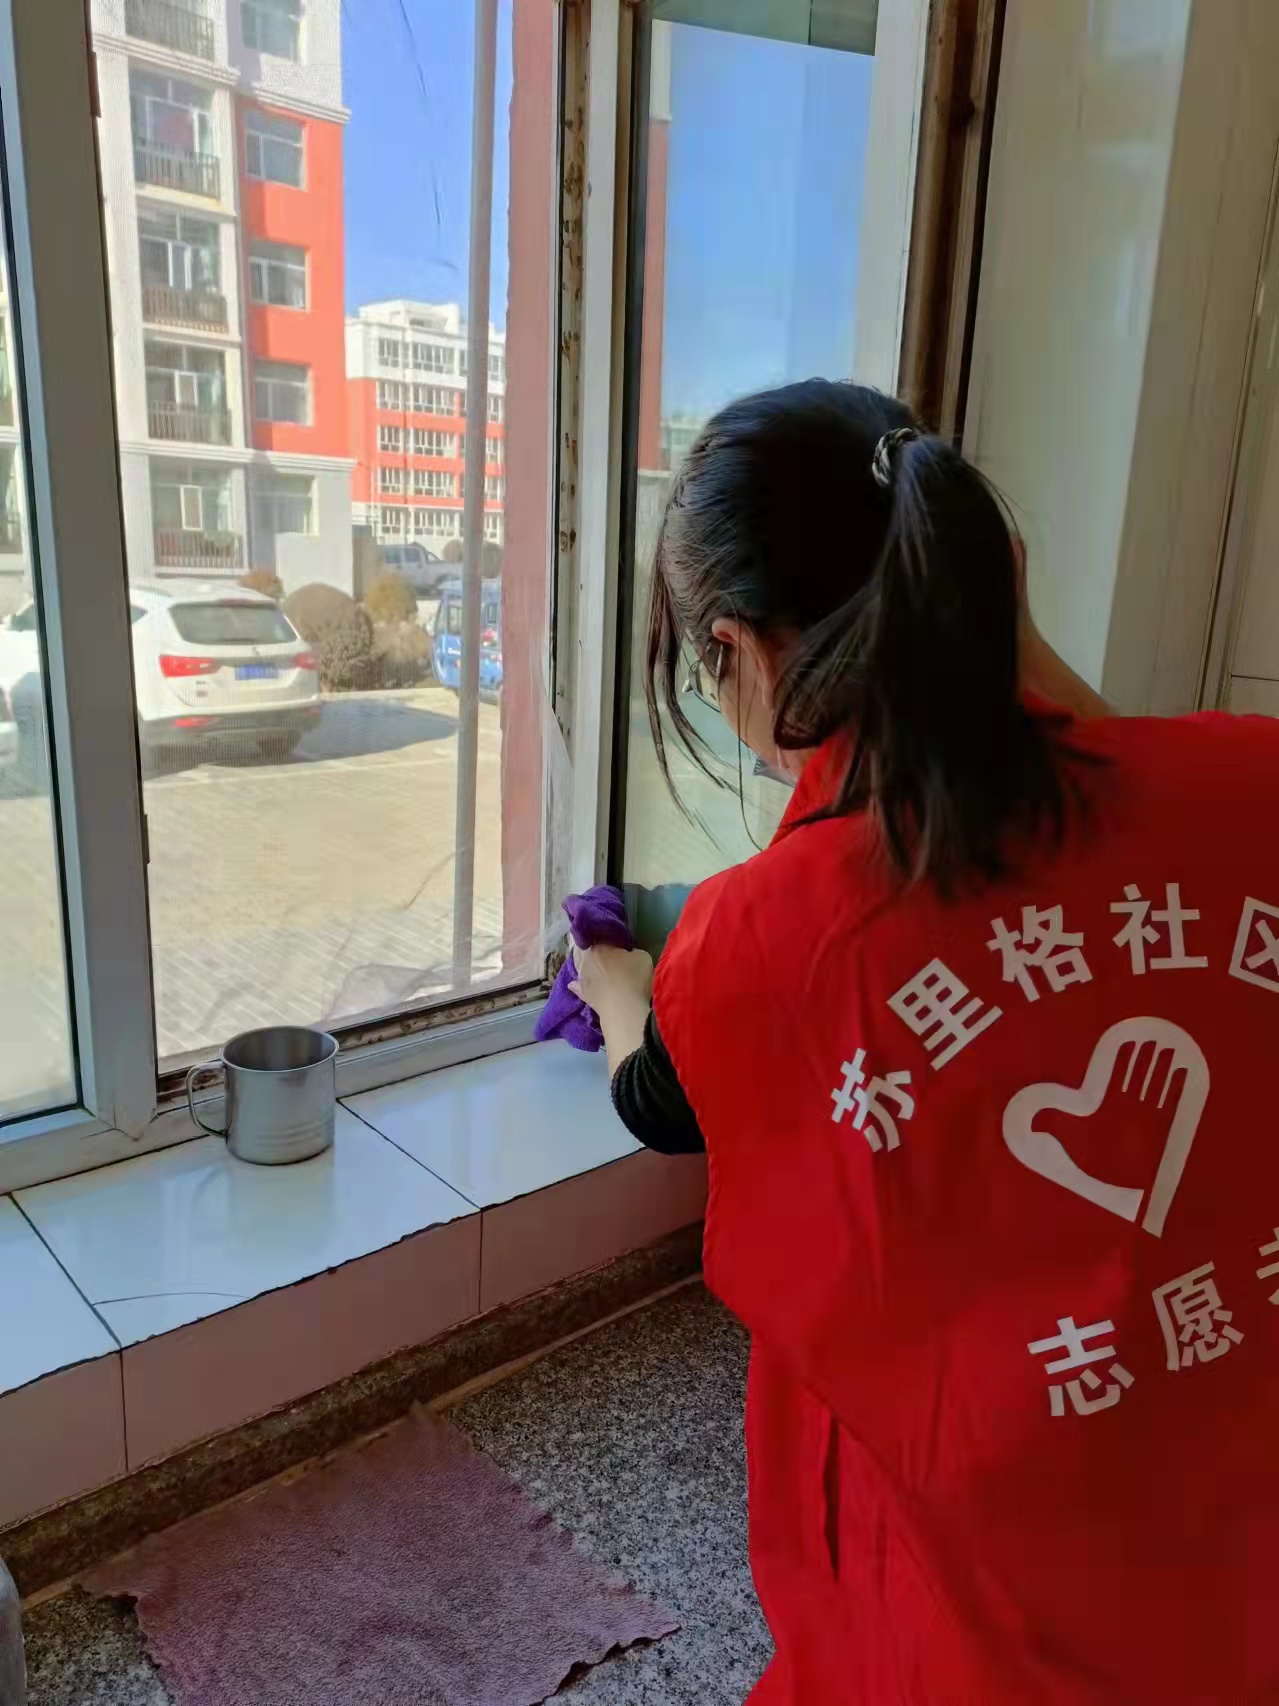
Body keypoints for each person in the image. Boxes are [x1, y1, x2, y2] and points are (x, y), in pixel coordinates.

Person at [569, 379, 1279, 1704]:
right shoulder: (1257, 782)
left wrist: (617, 988)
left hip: (980, 1635)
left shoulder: (764, 934)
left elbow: (661, 1102)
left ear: (741, 650)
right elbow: (1126, 795)